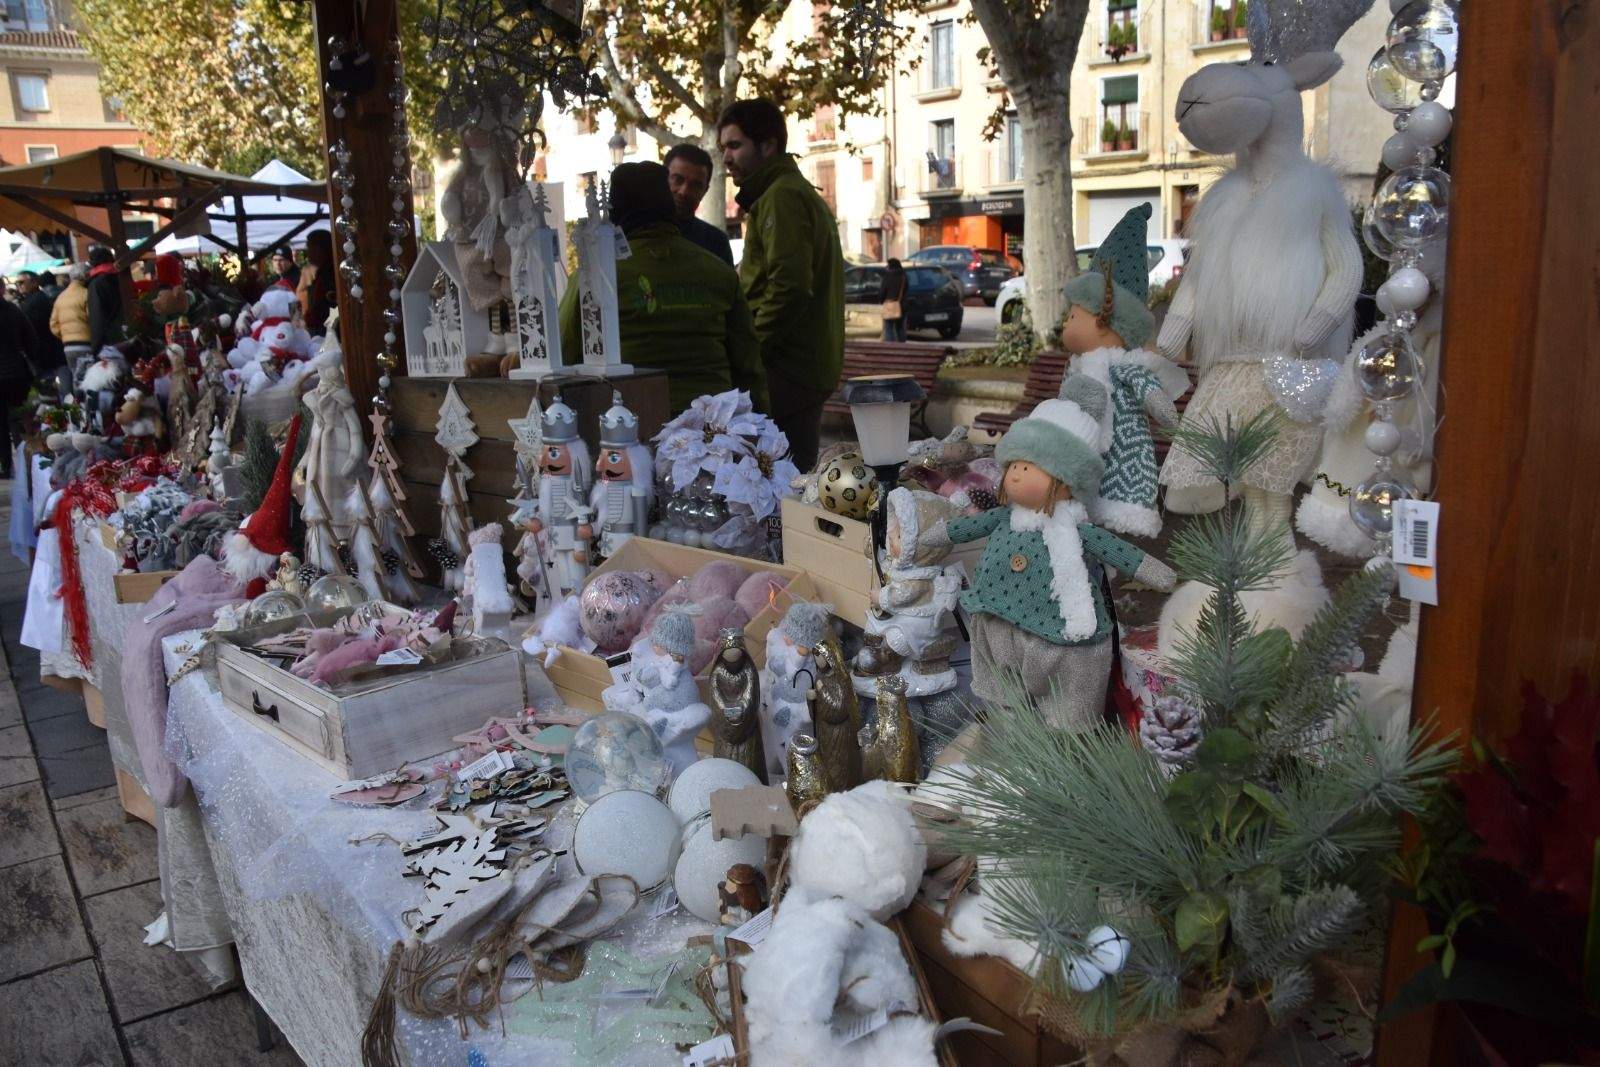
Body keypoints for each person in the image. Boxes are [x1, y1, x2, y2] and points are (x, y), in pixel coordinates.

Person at [558, 161, 766, 416]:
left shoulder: (593, 275)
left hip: (630, 429)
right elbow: (748, 364)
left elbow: (562, 352)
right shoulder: (719, 271)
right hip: (715, 430)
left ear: (615, 210)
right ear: (668, 206)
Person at [718, 99, 844, 472]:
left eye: (735, 145)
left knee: (776, 483)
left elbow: (788, 287)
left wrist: (750, 349)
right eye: (723, 147)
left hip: (785, 366)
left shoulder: (781, 196)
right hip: (802, 364)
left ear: (768, 145)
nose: (726, 157)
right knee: (791, 478)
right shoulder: (790, 191)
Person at [663, 143, 734, 267]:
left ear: (705, 191)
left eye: (695, 185)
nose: (684, 191)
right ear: (662, 179)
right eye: (677, 180)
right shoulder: (632, 232)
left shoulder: (716, 242)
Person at [0, 294, 42, 477]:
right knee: (20, 419)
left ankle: (6, 465)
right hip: (17, 372)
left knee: (0, 424)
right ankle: (27, 462)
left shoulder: (14, 310)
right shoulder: (13, 310)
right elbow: (31, 339)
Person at [51, 263, 92, 384]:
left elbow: (53, 324)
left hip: (68, 346)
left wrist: (65, 335)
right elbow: (93, 318)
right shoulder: (86, 294)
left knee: (76, 378)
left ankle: (76, 402)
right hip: (86, 343)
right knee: (89, 379)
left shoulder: (61, 297)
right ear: (86, 276)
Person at [86, 245, 124, 354]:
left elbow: (97, 317)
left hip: (110, 342)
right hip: (128, 334)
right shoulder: (121, 277)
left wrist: (95, 348)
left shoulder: (96, 284)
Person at [298, 230, 336, 336]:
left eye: (309, 248)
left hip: (329, 332)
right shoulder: (322, 273)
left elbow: (327, 310)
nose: (308, 253)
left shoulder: (330, 276)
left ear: (320, 249)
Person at [881, 258, 909, 343]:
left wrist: (882, 300)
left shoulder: (887, 277)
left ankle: (890, 348)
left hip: (889, 306)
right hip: (902, 306)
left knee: (888, 328)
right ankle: (902, 347)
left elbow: (882, 292)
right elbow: (906, 290)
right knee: (900, 328)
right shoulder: (904, 277)